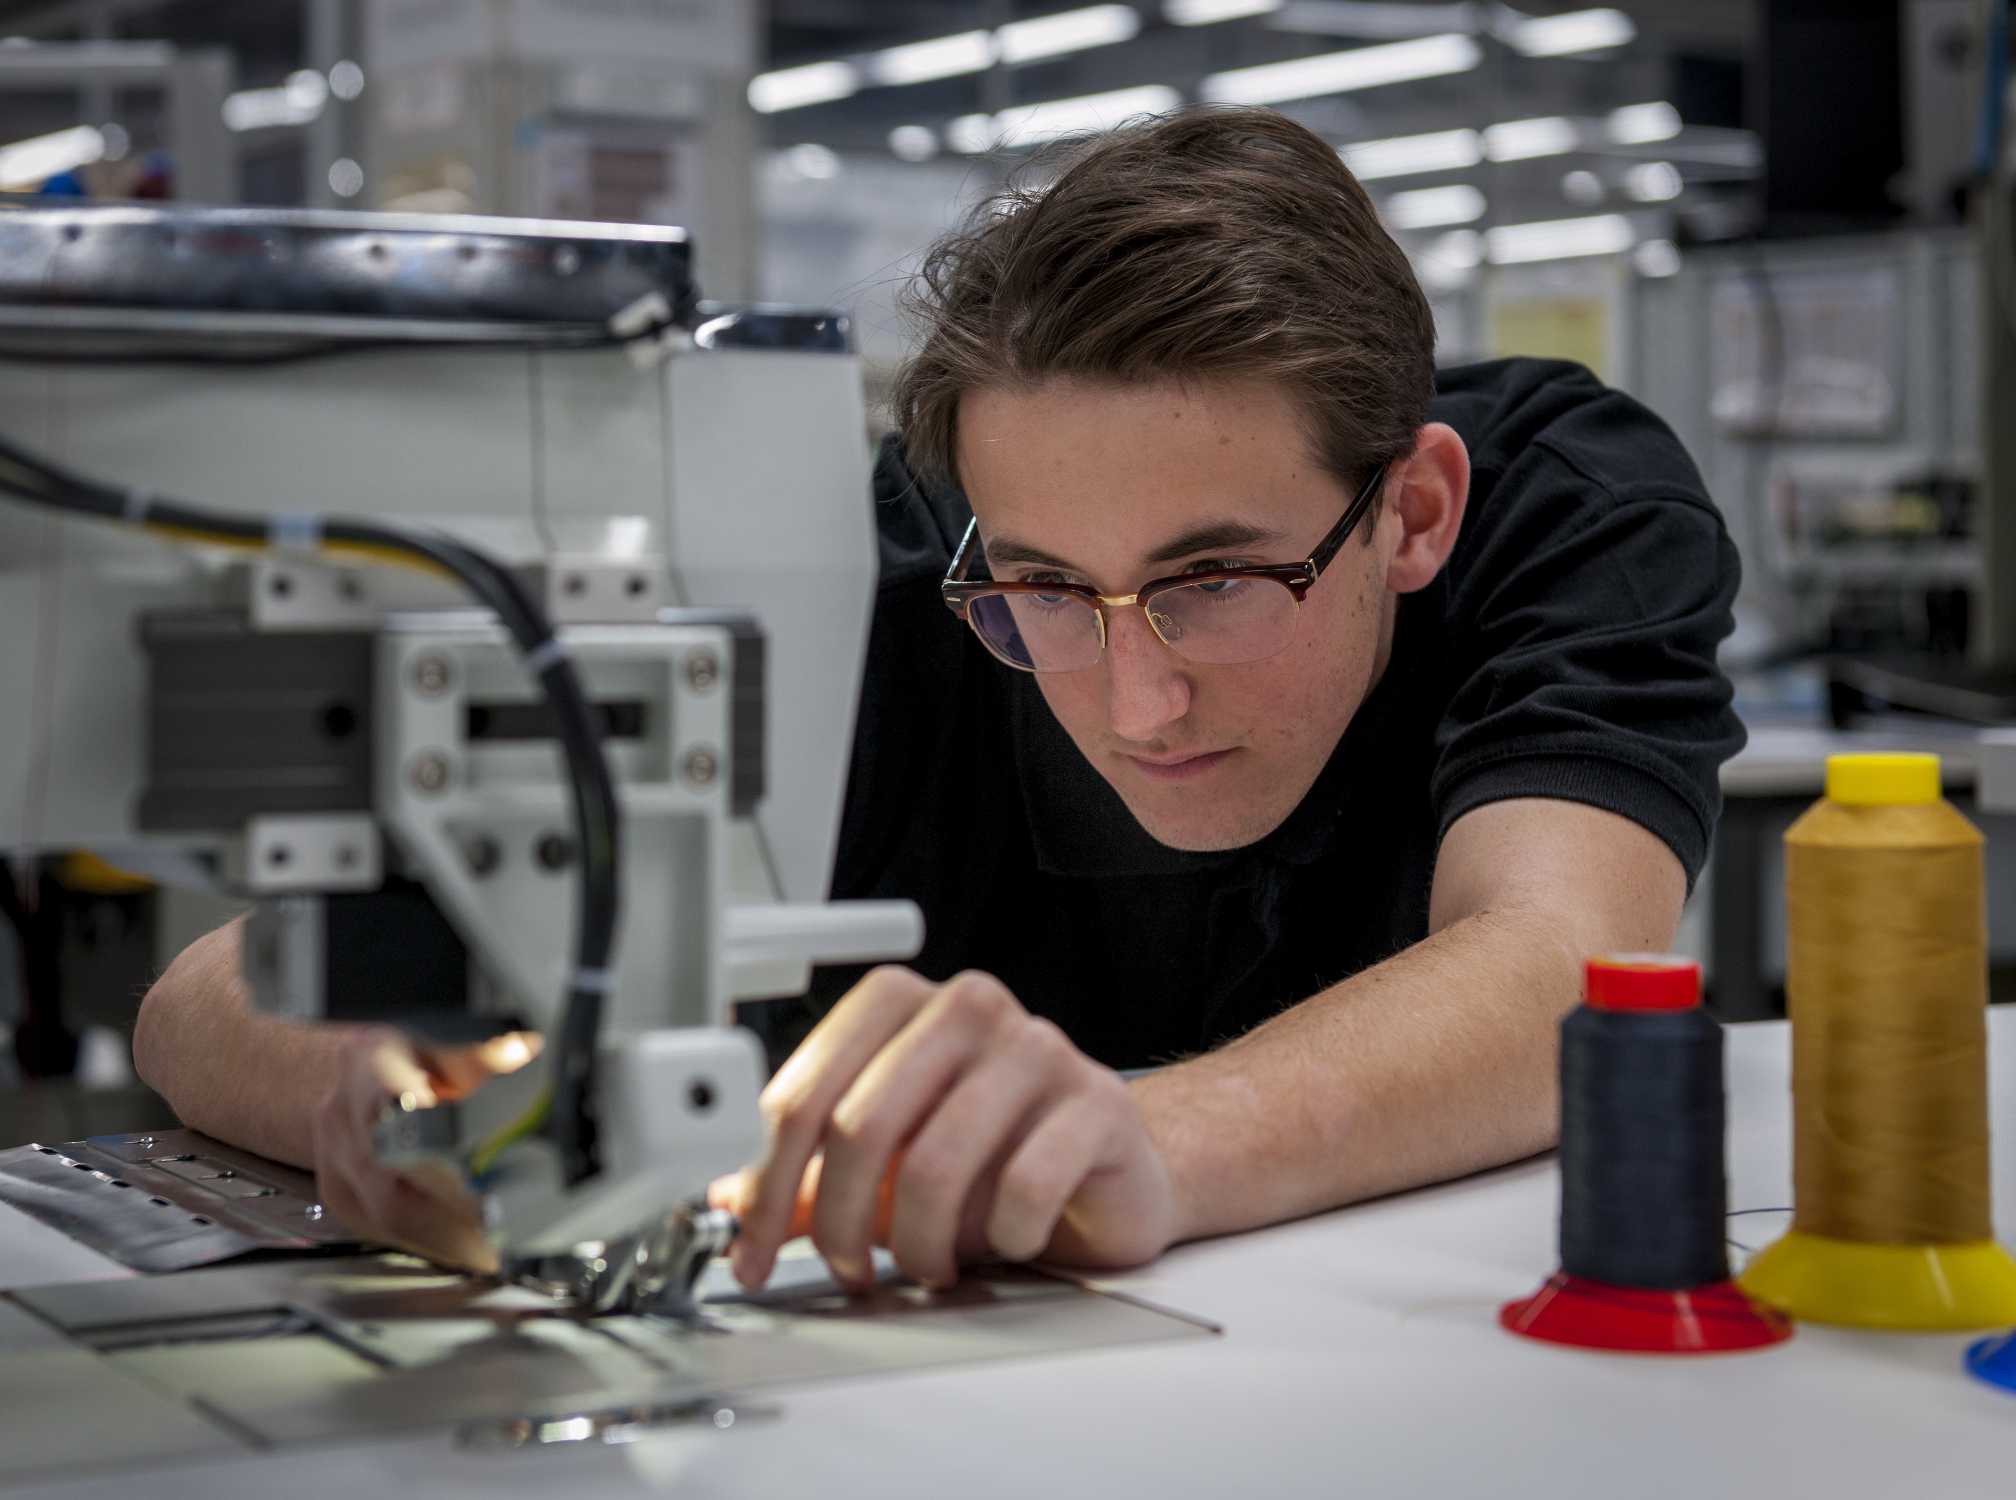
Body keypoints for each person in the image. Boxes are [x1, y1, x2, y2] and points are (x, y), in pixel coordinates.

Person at [133, 107, 1742, 1294]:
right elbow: (202, 997)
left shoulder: (1562, 502)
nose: (1138, 693)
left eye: (1216, 579)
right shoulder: (856, 599)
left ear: (1411, 515)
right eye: (1044, 588)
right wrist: (374, 1073)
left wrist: (1141, 1147)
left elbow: (1572, 969)